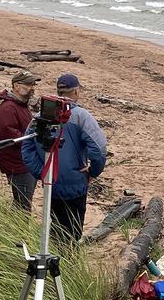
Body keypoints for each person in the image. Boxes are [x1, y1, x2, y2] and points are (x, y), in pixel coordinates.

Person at [21, 73, 107, 242]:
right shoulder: (82, 116)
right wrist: (93, 171)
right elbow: (99, 149)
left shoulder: (40, 116)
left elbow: (27, 148)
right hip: (75, 184)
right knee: (73, 231)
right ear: (75, 92)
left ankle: (56, 255)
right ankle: (68, 262)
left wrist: (42, 172)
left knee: (56, 225)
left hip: (51, 184)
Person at [0, 70, 40, 211]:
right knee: (23, 206)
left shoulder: (19, 106)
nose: (32, 88)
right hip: (18, 165)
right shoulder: (7, 109)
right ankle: (17, 232)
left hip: (25, 162)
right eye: (28, 85)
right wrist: (35, 138)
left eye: (33, 84)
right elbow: (12, 138)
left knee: (21, 204)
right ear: (16, 86)